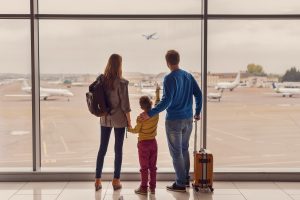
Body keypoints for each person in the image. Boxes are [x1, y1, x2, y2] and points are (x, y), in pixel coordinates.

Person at [140, 50, 202, 192]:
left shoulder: (169, 78)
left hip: (174, 120)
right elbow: (199, 94)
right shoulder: (188, 76)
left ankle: (180, 183)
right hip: (188, 119)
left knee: (176, 153)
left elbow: (166, 101)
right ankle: (185, 179)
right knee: (184, 149)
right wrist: (197, 111)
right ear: (178, 60)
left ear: (167, 63)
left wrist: (150, 113)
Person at [95, 54, 131, 191]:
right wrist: (129, 121)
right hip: (119, 119)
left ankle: (97, 180)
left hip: (104, 118)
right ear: (119, 65)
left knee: (102, 149)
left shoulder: (101, 80)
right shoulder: (122, 83)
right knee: (118, 150)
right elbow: (125, 105)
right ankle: (116, 181)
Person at [128, 96, 159, 195]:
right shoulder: (156, 114)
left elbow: (136, 130)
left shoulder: (140, 117)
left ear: (141, 107)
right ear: (150, 103)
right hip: (153, 143)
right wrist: (157, 92)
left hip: (143, 144)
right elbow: (158, 101)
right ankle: (153, 188)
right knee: (153, 167)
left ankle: (144, 188)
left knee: (144, 167)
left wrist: (129, 128)